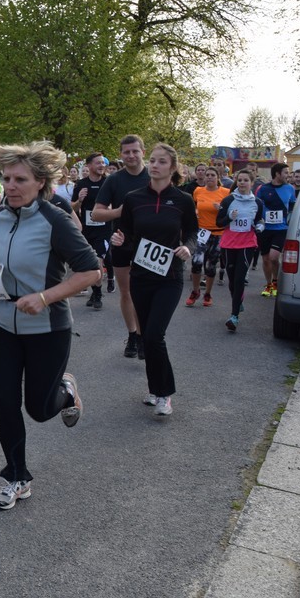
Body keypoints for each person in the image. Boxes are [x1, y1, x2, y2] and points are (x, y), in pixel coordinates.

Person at [0, 141, 99, 510]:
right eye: (6, 178)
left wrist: (44, 297)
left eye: (20, 179)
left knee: (38, 409)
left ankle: (66, 392)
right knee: (4, 402)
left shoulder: (55, 220)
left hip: (47, 328)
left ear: (40, 182)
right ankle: (16, 477)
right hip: (1, 324)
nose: (10, 185)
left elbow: (91, 271)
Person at [110, 143, 198, 417]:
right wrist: (118, 240)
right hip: (141, 276)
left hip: (170, 277)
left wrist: (187, 248)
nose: (155, 165)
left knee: (154, 334)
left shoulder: (183, 200)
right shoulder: (134, 198)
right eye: (153, 160)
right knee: (147, 337)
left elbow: (193, 234)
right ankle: (153, 389)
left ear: (172, 168)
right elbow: (126, 235)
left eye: (161, 161)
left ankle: (164, 394)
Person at [91, 135, 149, 359]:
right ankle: (133, 335)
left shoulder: (153, 176)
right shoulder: (114, 180)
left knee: (146, 293)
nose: (131, 156)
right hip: (122, 242)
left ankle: (145, 335)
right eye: (127, 152)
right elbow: (96, 213)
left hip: (150, 245)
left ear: (143, 152)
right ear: (121, 155)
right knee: (127, 292)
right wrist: (119, 212)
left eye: (135, 151)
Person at [217, 169, 264, 331]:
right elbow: (219, 222)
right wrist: (229, 217)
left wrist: (260, 226)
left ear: (252, 183)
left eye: (246, 180)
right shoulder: (228, 200)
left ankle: (234, 316)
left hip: (247, 244)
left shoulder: (257, 202)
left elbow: (259, 220)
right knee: (232, 280)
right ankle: (238, 301)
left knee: (239, 279)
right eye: (240, 180)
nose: (242, 183)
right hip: (229, 244)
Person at [185, 168, 230, 308]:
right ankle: (195, 291)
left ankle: (208, 294)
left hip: (218, 233)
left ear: (218, 177)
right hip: (202, 232)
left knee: (211, 265)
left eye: (212, 175)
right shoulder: (198, 191)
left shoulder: (225, 192)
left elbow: (231, 213)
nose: (209, 177)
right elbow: (193, 206)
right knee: (196, 262)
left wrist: (221, 209)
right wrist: (195, 212)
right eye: (207, 175)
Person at [71, 152, 110, 309]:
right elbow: (72, 208)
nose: (102, 165)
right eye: (98, 163)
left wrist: (109, 209)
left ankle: (98, 293)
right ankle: (95, 291)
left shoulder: (108, 183)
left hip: (104, 230)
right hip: (86, 230)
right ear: (88, 165)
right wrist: (79, 200)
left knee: (98, 261)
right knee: (89, 263)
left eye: (103, 163)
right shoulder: (81, 184)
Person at [255, 163, 295, 298]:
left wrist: (290, 219)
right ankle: (268, 284)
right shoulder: (263, 189)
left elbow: (292, 206)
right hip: (265, 229)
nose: (288, 175)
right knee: (266, 259)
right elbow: (257, 205)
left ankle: (276, 281)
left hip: (281, 228)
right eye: (285, 172)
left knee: (274, 257)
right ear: (277, 174)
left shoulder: (290, 188)